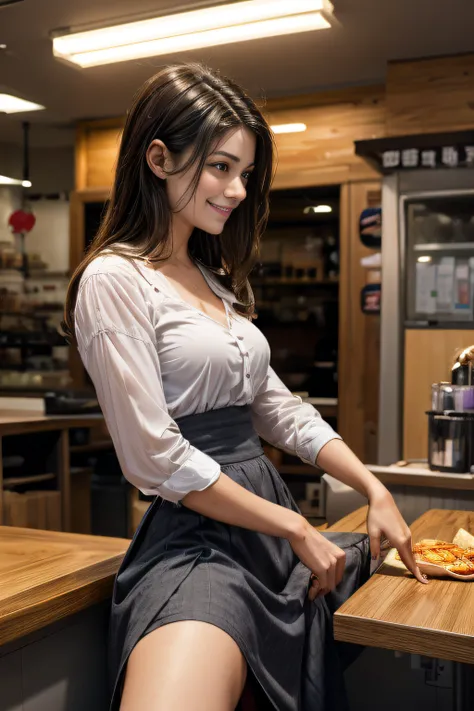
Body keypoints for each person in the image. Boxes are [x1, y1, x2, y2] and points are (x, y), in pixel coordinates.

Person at [62, 63, 427, 711]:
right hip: (195, 537)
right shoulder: (115, 279)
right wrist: (294, 526)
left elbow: (282, 411)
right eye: (221, 167)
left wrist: (375, 488)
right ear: (158, 158)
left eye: (247, 174)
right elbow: (153, 456)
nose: (236, 190)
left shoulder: (215, 280)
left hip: (265, 526)